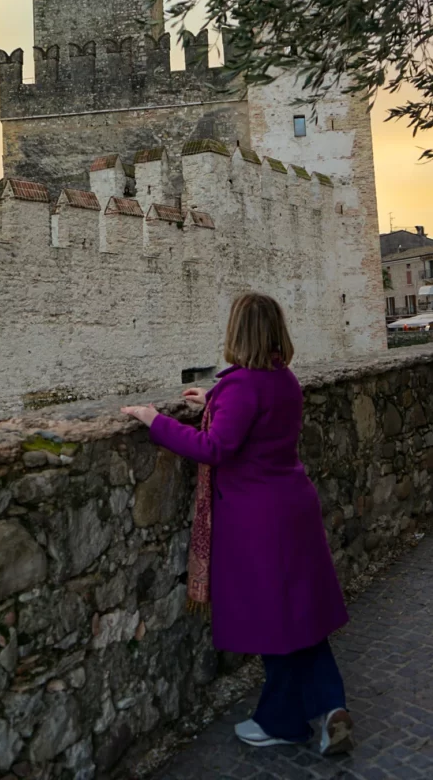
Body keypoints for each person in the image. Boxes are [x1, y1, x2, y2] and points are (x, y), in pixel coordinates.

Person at [121, 292, 354, 756]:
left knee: (275, 621)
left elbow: (216, 449)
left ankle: (283, 722)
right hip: (293, 507)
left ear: (237, 332)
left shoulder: (243, 386)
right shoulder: (282, 380)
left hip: (258, 521)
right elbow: (250, 415)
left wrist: (155, 421)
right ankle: (331, 705)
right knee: (301, 615)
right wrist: (214, 400)